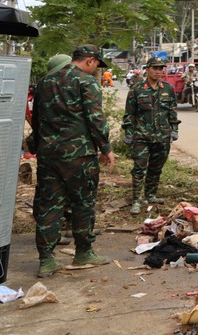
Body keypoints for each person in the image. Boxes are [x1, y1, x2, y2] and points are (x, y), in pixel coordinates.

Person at [29, 44, 116, 278]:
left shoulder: (44, 83)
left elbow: (36, 119)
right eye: (97, 63)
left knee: (49, 205)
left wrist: (37, 146)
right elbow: (95, 119)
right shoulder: (86, 82)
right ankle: (84, 252)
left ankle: (46, 260)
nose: (97, 68)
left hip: (49, 155)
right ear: (89, 60)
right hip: (79, 156)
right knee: (83, 203)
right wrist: (106, 148)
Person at [122, 57, 179, 214]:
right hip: (142, 136)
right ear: (147, 69)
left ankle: (150, 194)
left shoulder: (168, 88)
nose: (158, 71)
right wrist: (128, 132)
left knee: (156, 167)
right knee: (139, 168)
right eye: (155, 68)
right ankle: (136, 200)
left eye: (161, 69)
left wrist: (174, 129)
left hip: (162, 136)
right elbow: (129, 114)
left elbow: (172, 111)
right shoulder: (137, 89)